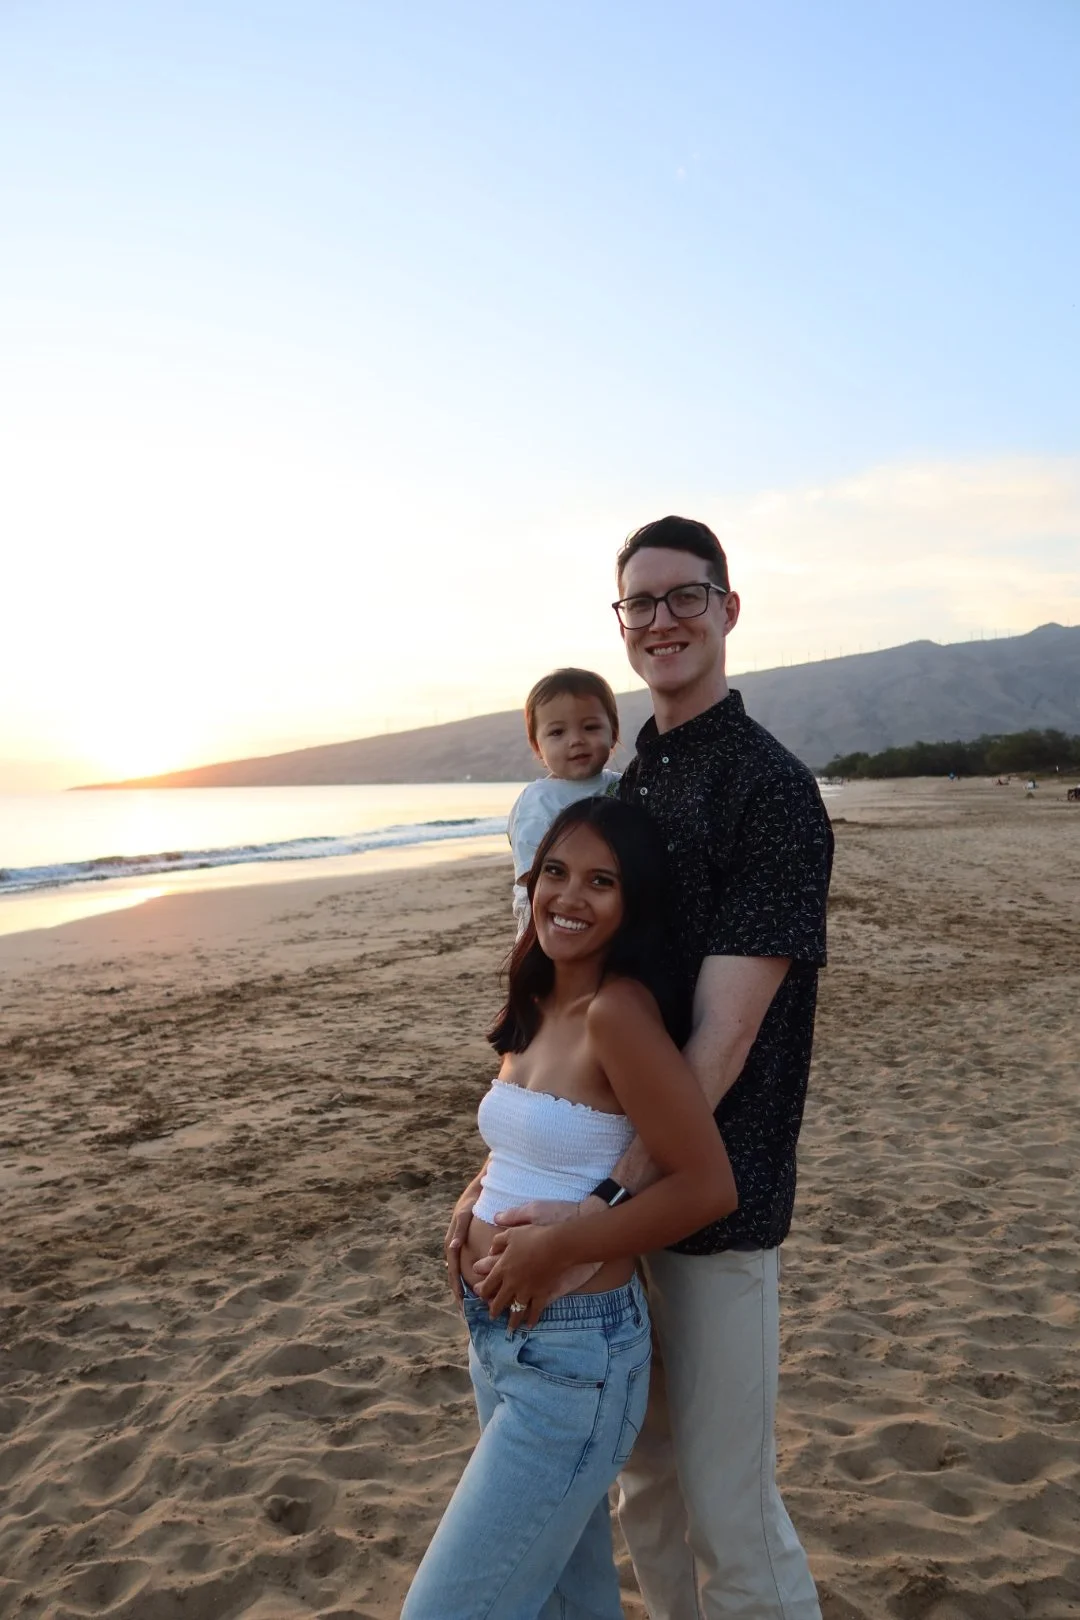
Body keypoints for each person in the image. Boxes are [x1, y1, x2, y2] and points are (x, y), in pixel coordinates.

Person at [464, 516, 834, 1619]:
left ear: (728, 609)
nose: (663, 619)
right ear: (621, 623)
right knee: (645, 1495)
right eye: (642, 603)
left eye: (686, 597)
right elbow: (570, 1000)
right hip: (609, 1212)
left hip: (711, 1201)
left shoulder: (769, 790)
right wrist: (503, 1180)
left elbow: (720, 1037)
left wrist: (611, 1198)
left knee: (729, 1509)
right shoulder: (628, 790)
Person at [407, 796, 736, 1620]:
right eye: (556, 872)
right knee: (570, 1601)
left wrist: (559, 1247)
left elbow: (706, 1184)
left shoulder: (617, 1014)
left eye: (601, 882)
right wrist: (472, 1195)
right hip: (498, 1338)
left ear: (631, 905)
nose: (569, 896)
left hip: (576, 1355)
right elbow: (537, 1141)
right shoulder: (536, 999)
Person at [507, 668, 621, 934]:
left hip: (609, 913)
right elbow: (532, 877)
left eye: (590, 727)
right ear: (537, 745)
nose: (576, 740)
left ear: (613, 732)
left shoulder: (624, 784)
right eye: (557, 733)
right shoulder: (538, 801)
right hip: (551, 924)